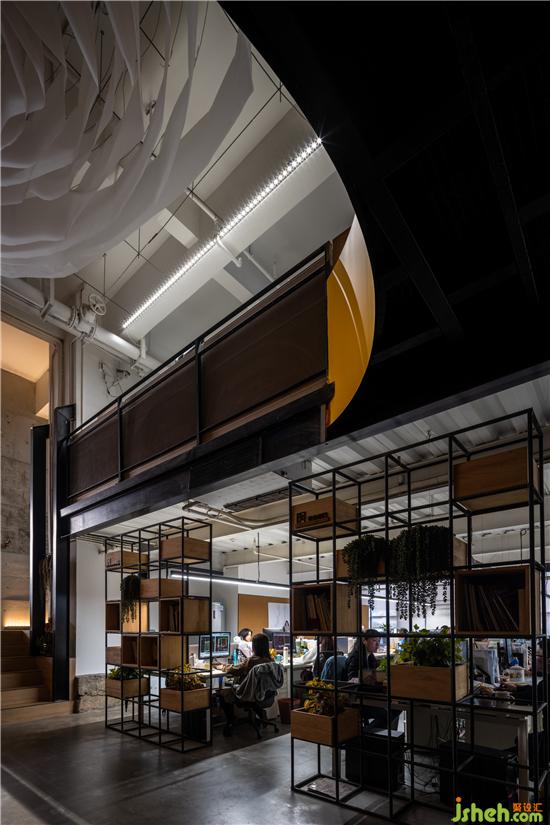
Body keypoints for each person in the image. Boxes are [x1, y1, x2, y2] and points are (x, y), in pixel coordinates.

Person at [219, 632, 273, 735]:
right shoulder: (271, 660)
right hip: (266, 694)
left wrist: (222, 667)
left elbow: (235, 670)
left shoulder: (251, 661)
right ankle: (260, 712)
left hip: (249, 695)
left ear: (254, 646)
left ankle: (231, 720)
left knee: (222, 693)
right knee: (254, 693)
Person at [346, 629, 400, 730]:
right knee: (387, 714)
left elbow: (376, 675)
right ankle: (366, 733)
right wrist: (365, 679)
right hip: (358, 698)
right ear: (364, 641)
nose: (377, 644)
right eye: (374, 641)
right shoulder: (356, 657)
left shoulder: (370, 656)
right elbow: (352, 680)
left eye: (378, 641)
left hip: (369, 694)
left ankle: (374, 733)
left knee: (397, 707)